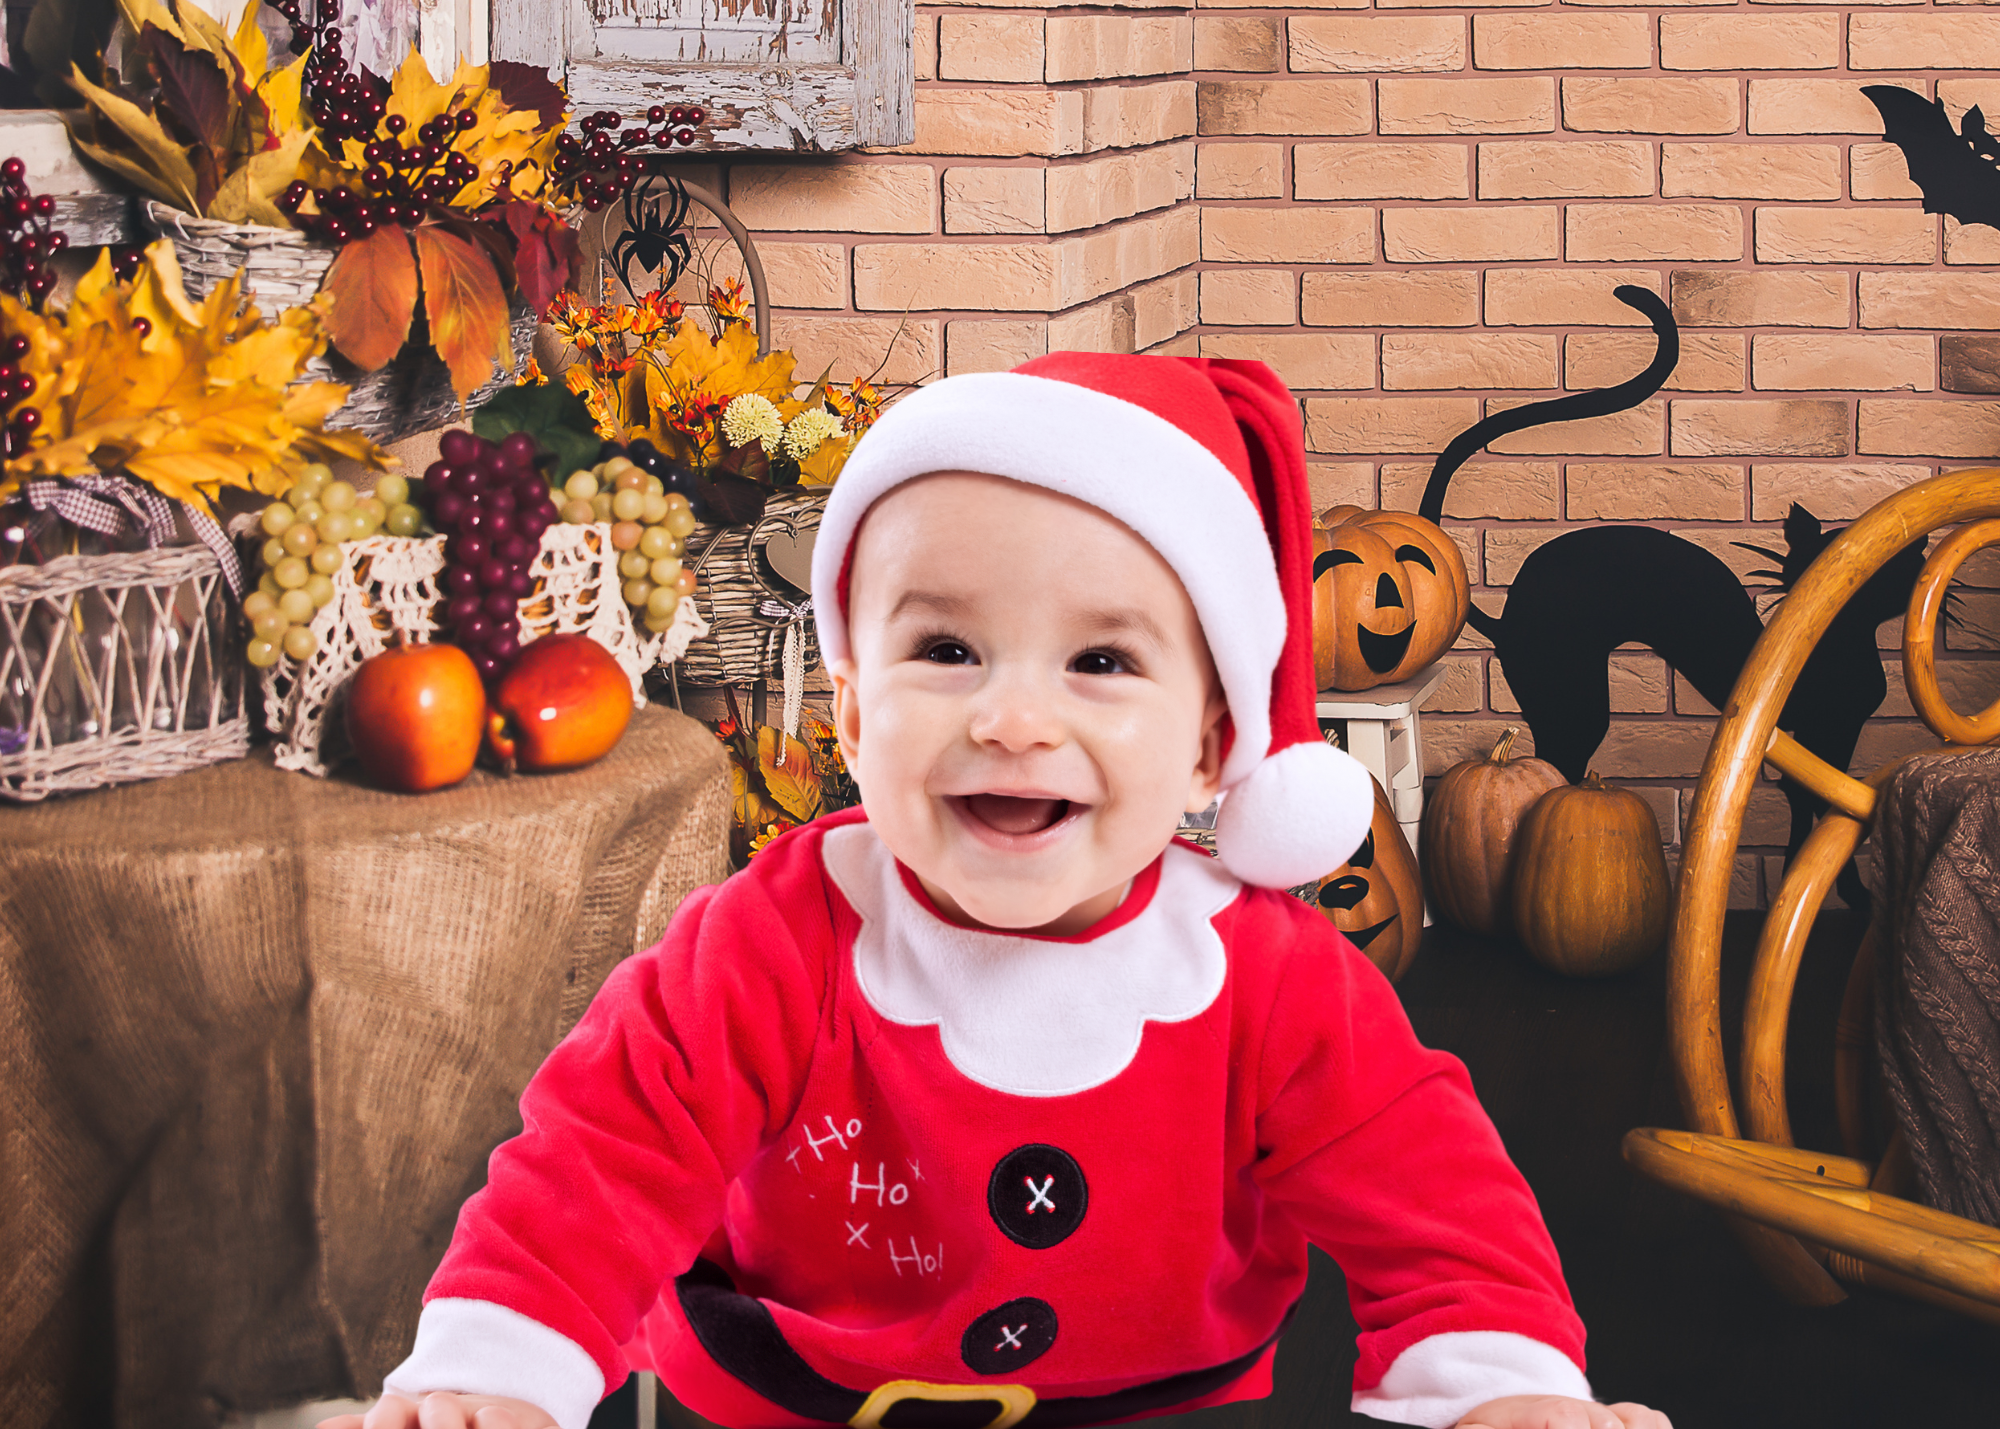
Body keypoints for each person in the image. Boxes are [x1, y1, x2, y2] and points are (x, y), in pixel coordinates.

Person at [324, 355, 1670, 1429]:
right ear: (853, 705)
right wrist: (499, 1366)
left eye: (1100, 662)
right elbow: (600, 1159)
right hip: (792, 1404)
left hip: (1158, 1409)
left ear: (1212, 742)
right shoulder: (769, 944)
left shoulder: (1266, 975)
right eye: (948, 648)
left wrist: (1506, 1382)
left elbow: (1432, 1194)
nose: (1014, 721)